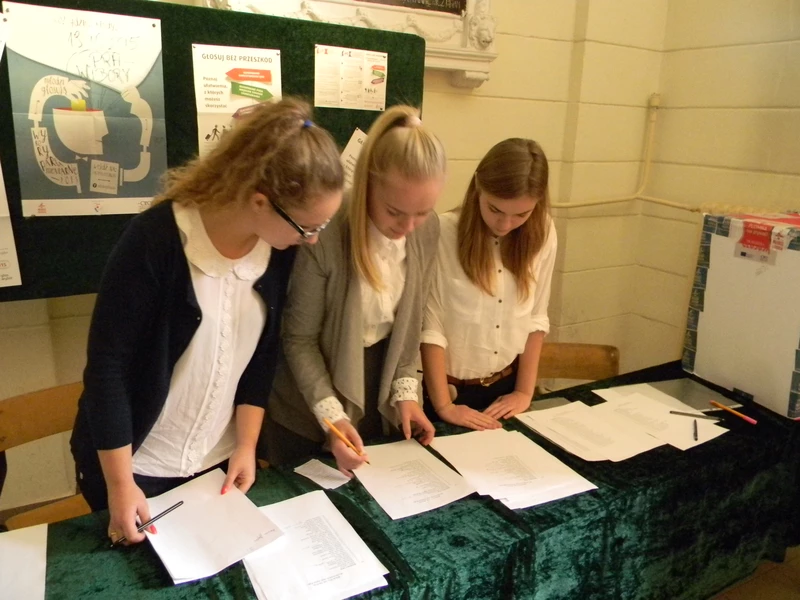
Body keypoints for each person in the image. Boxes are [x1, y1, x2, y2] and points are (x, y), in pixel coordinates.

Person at [70, 98, 344, 546]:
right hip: (136, 465)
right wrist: (120, 485)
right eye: (307, 227)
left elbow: (262, 358)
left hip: (215, 463)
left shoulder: (277, 251)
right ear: (260, 201)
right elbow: (107, 370)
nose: (312, 240)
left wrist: (246, 445)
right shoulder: (156, 239)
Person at [262, 105, 446, 476]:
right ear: (367, 186)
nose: (409, 226)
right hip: (306, 405)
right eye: (395, 211)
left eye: (422, 212)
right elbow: (298, 340)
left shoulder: (428, 230)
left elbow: (409, 326)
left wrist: (406, 394)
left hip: (373, 394)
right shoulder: (326, 230)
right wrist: (333, 419)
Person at [420, 138, 556, 431]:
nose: (505, 224)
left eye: (521, 214)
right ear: (478, 188)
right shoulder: (441, 232)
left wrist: (524, 392)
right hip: (448, 394)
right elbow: (430, 327)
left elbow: (536, 317)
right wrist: (444, 406)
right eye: (495, 209)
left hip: (508, 389)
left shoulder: (543, 231)